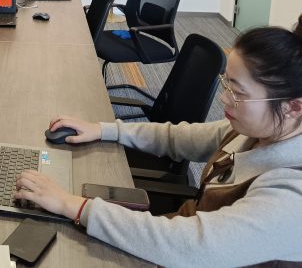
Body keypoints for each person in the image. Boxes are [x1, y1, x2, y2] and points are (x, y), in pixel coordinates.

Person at [15, 17, 302, 266]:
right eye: (226, 83)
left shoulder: (291, 197)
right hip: (179, 233)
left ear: (293, 107)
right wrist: (104, 130)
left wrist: (73, 206)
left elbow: (194, 247)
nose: (225, 98)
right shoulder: (253, 130)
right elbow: (178, 137)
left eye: (238, 93)